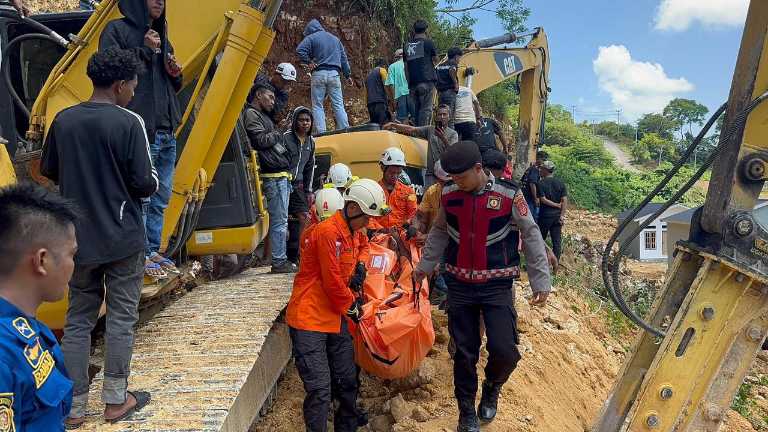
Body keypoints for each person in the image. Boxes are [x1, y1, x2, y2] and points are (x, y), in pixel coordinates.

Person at [40, 47, 156, 427]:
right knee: (121, 318)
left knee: (77, 322)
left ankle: (73, 409)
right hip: (122, 239)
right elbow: (144, 184)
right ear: (121, 84)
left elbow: (50, 170)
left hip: (76, 241)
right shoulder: (128, 122)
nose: (134, 93)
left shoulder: (64, 121)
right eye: (133, 86)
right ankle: (115, 402)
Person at [413, 141, 551, 432]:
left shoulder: (508, 194)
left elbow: (531, 232)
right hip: (459, 286)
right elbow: (439, 231)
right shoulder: (450, 195)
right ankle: (466, 412)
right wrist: (424, 267)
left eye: (461, 177)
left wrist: (540, 278)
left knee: (505, 350)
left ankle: (492, 386)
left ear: (479, 169)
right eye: (452, 178)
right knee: (464, 353)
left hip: (497, 285)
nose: (456, 183)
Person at [286, 178, 390, 432]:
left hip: (335, 316)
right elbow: (331, 281)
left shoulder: (354, 230)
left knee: (346, 379)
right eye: (366, 217)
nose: (368, 224)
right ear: (352, 208)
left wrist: (361, 266)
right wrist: (352, 307)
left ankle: (347, 425)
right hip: (310, 319)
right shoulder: (327, 233)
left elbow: (364, 246)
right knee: (320, 388)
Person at [100, 0, 183, 278]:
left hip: (166, 129)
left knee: (161, 196)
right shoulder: (117, 30)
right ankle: (140, 253)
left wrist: (175, 73)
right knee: (142, 195)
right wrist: (143, 51)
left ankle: (151, 248)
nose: (159, 2)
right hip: (138, 129)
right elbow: (108, 71)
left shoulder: (162, 37)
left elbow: (168, 85)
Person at [0, 184, 78, 431]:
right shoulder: (4, 353)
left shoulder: (28, 329)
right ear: (42, 260)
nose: (74, 265)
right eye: (72, 255)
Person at [245, 85, 296, 274]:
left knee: (280, 220)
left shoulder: (262, 116)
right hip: (273, 176)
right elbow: (260, 141)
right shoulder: (252, 115)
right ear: (258, 95)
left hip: (278, 175)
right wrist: (278, 132)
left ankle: (279, 259)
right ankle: (279, 261)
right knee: (279, 221)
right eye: (270, 97)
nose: (273, 101)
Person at [297, 19, 353, 133]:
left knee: (318, 105)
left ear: (310, 30)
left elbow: (300, 50)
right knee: (338, 104)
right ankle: (345, 130)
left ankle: (321, 133)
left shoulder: (312, 37)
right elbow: (343, 59)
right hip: (334, 75)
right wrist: (347, 75)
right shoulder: (336, 39)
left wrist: (308, 62)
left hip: (318, 74)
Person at [383, 104, 458, 188]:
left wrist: (442, 137)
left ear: (449, 117)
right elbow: (412, 129)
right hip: (430, 175)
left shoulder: (453, 134)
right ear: (436, 117)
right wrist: (393, 125)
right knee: (428, 200)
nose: (442, 117)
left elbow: (452, 152)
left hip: (446, 176)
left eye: (445, 114)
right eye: (440, 114)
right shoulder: (430, 129)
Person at [286, 106, 316, 264]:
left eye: (308, 120)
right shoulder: (286, 138)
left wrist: (309, 190)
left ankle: (301, 254)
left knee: (305, 217)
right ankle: (270, 257)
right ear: (295, 121)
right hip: (284, 182)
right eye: (301, 120)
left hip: (299, 185)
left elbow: (310, 167)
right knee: (279, 219)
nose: (305, 123)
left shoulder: (311, 142)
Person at [367, 147, 418, 231]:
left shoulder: (409, 192)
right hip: (378, 236)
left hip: (402, 235)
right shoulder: (373, 190)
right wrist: (381, 230)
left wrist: (411, 226)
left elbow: (413, 213)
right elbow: (367, 215)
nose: (395, 176)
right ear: (383, 168)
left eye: (398, 173)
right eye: (392, 172)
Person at [403, 19, 438, 126]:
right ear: (426, 30)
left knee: (417, 110)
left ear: (414, 30)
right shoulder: (429, 43)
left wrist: (409, 82)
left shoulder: (407, 45)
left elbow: (405, 66)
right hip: (427, 81)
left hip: (413, 83)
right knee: (426, 110)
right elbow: (435, 59)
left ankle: (417, 133)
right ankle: (423, 136)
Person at [538, 160, 568, 259]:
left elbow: (543, 200)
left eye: (542, 169)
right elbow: (564, 200)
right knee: (557, 241)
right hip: (557, 217)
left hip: (545, 216)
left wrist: (555, 205)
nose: (540, 170)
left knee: (540, 239)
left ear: (546, 170)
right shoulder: (560, 183)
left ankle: (540, 261)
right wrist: (562, 216)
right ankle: (556, 265)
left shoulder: (541, 183)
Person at [435, 47, 461, 124]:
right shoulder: (453, 64)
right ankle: (449, 135)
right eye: (459, 58)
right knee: (449, 117)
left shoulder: (440, 65)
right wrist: (455, 83)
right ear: (456, 56)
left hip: (441, 94)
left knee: (441, 116)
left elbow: (435, 77)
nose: (459, 60)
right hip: (449, 93)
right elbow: (452, 70)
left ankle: (440, 132)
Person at [385, 49, 413, 123]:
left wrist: (393, 100)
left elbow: (391, 84)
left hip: (400, 96)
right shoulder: (411, 64)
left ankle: (403, 133)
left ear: (396, 57)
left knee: (401, 121)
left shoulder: (392, 67)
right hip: (412, 94)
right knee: (415, 118)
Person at [365, 58, 394, 125]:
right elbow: (386, 85)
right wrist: (391, 99)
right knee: (384, 125)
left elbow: (366, 93)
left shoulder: (368, 76)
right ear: (383, 65)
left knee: (375, 126)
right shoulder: (382, 70)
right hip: (380, 102)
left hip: (370, 104)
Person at [521, 151, 547, 222]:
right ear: (538, 158)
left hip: (525, 196)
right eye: (543, 160)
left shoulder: (530, 169)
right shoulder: (535, 170)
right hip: (530, 198)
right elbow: (532, 184)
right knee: (532, 219)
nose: (544, 162)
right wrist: (535, 198)